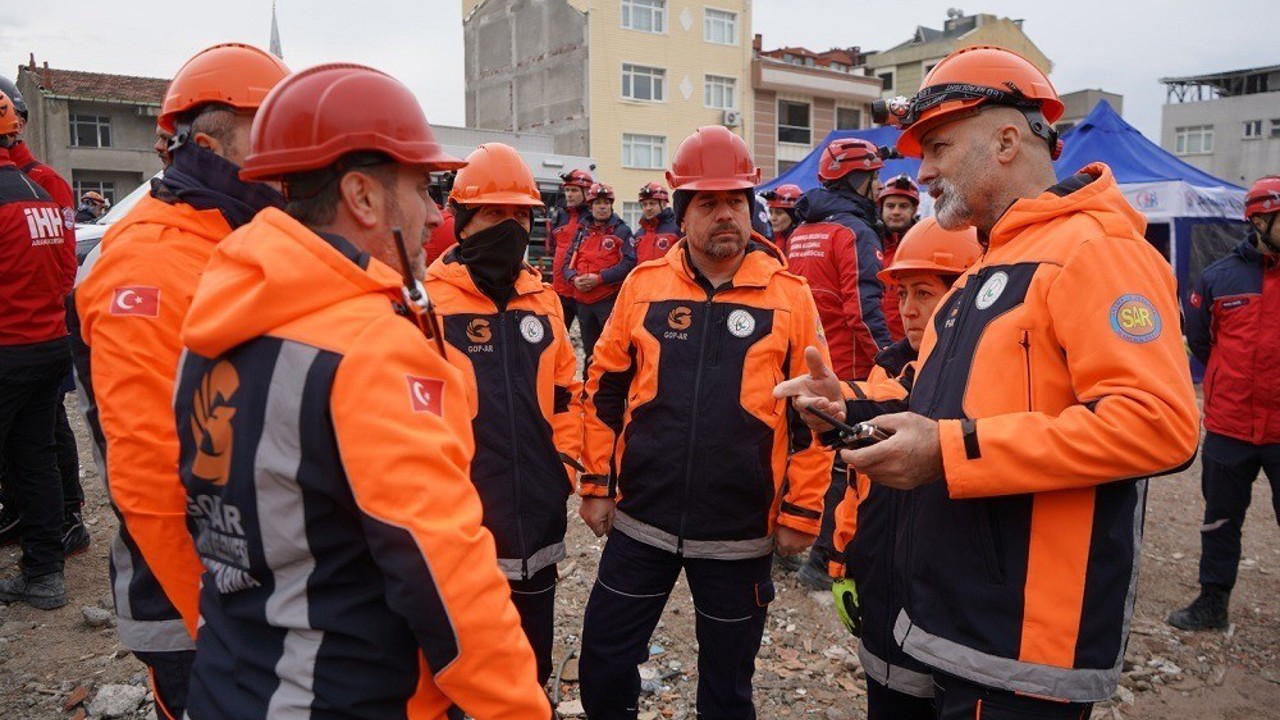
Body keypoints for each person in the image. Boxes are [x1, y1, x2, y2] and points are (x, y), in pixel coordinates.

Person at [776, 45, 1200, 719]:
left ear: (1006, 142)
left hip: (1023, 645)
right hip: (952, 622)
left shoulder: (1097, 252)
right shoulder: (985, 268)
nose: (924, 172)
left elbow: (1159, 426)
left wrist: (949, 453)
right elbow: (937, 404)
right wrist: (847, 404)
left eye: (938, 148)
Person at [172, 62, 550, 718]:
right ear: (363, 197)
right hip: (350, 695)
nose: (435, 213)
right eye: (422, 188)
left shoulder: (214, 324)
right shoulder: (370, 348)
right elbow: (448, 580)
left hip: (233, 682)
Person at [576, 125, 833, 719]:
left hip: (739, 532)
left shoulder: (790, 296)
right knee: (605, 661)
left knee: (728, 684)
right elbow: (603, 392)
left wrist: (801, 510)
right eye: (709, 203)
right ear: (682, 212)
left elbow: (815, 415)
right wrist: (595, 484)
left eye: (735, 202)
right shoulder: (643, 287)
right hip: (641, 520)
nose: (725, 215)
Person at [73, 43, 290, 719]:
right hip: (195, 596)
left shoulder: (240, 236)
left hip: (259, 578)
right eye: (269, 139)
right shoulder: (149, 260)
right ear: (208, 142)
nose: (287, 161)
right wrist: (218, 622)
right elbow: (148, 471)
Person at [426, 142, 583, 686]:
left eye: (521, 214)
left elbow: (568, 394)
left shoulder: (544, 301)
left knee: (530, 657)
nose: (511, 227)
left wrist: (564, 467)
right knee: (458, 664)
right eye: (495, 213)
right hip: (460, 524)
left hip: (538, 514)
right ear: (463, 220)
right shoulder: (426, 305)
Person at [826, 218, 981, 720]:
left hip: (951, 612)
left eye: (924, 293)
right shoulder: (887, 369)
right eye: (901, 294)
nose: (908, 310)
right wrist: (842, 560)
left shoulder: (983, 383)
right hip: (883, 594)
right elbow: (856, 480)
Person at [1169, 175, 1280, 631]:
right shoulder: (1218, 278)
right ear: (1259, 220)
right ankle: (1212, 604)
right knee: (1220, 520)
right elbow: (1200, 341)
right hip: (1229, 427)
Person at [0, 74, 86, 557]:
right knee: (34, 441)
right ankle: (28, 520)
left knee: (49, 430)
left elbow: (62, 261)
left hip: (34, 328)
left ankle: (69, 515)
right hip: (37, 332)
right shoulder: (23, 183)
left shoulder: (43, 181)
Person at [787, 137, 893, 381]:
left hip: (806, 369)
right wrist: (890, 363)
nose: (879, 186)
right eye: (875, 177)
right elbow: (862, 311)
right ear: (856, 180)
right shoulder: (855, 233)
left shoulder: (798, 234)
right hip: (851, 371)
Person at [561, 181, 635, 361]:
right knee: (590, 352)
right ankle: (589, 378)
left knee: (612, 350)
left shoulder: (622, 231)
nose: (602, 207)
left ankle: (610, 379)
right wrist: (573, 278)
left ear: (611, 205)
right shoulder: (581, 232)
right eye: (598, 203)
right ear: (590, 206)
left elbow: (629, 263)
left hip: (608, 302)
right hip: (583, 303)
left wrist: (600, 278)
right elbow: (567, 262)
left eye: (606, 203)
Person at [876, 173, 921, 342]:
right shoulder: (869, 246)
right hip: (875, 344)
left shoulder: (924, 248)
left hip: (911, 344)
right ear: (881, 208)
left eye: (903, 206)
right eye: (890, 206)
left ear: (914, 210)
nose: (896, 212)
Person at [547, 168, 593, 329]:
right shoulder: (559, 216)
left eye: (574, 190)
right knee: (557, 335)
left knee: (591, 338)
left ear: (587, 192)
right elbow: (554, 247)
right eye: (567, 190)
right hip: (560, 288)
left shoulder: (594, 219)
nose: (569, 195)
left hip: (584, 290)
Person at [632, 181, 679, 264]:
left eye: (652, 203)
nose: (648, 208)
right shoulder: (638, 234)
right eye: (644, 204)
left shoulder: (678, 228)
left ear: (664, 204)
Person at [763, 183, 802, 253]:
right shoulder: (769, 241)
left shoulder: (801, 244)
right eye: (770, 212)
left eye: (779, 213)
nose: (772, 218)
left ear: (795, 216)